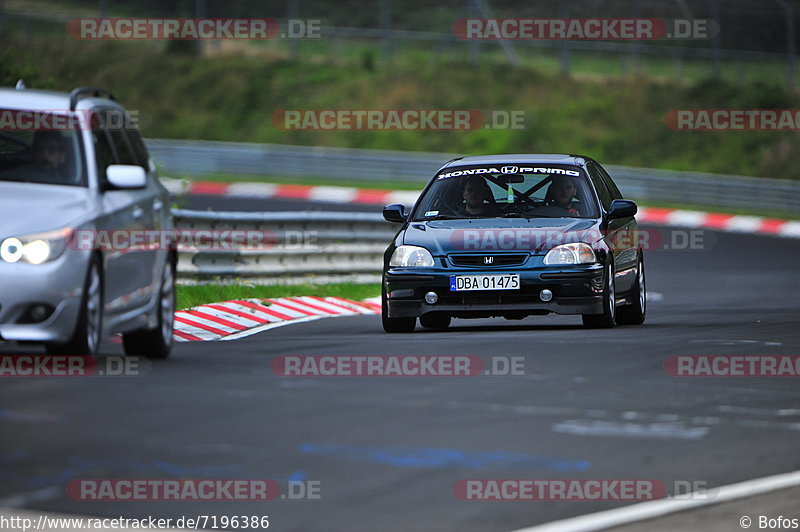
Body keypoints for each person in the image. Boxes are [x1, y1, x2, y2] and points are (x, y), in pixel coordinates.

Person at [0, 131, 68, 183]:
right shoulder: (14, 176)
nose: (44, 154)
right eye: (39, 149)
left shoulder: (70, 184)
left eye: (52, 150)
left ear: (62, 156)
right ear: (33, 153)